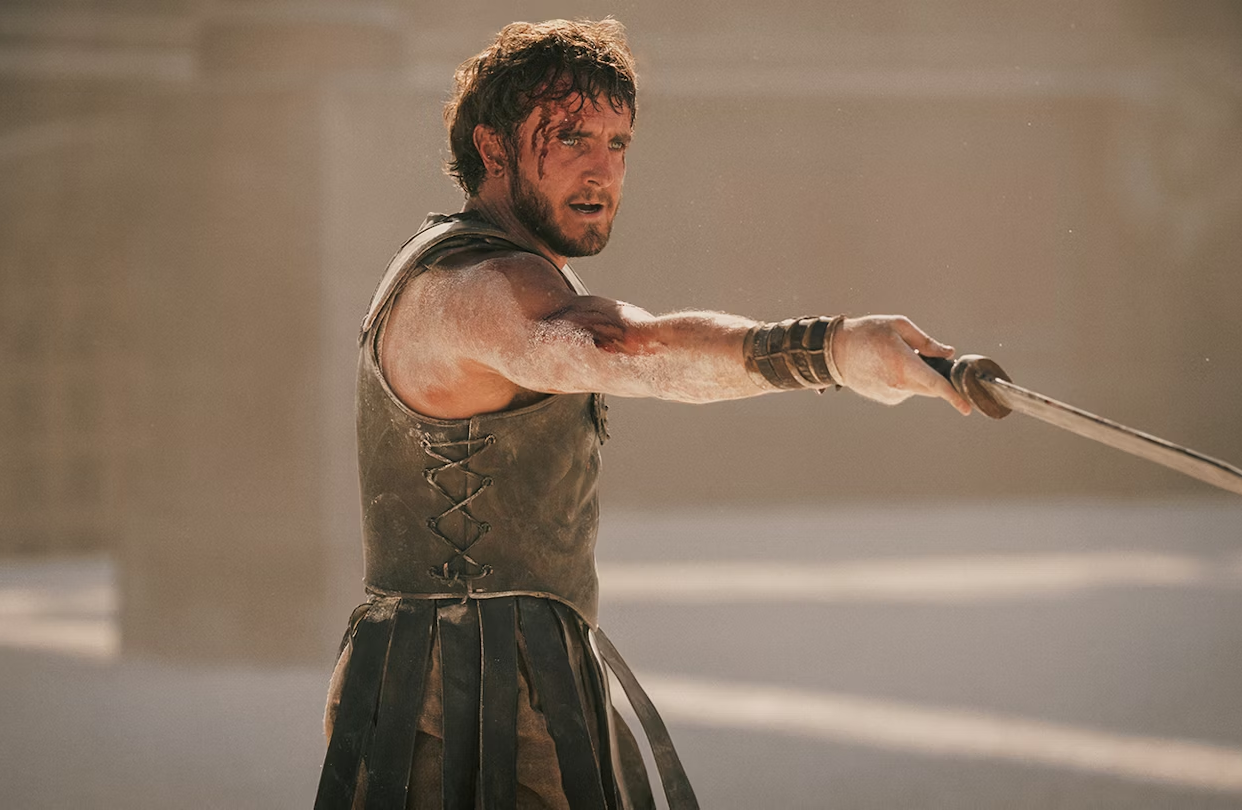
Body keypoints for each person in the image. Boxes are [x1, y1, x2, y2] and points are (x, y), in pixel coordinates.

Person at [315, 18, 971, 810]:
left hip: (526, 674)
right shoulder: (474, 288)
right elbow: (636, 348)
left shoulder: (498, 269)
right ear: (493, 149)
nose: (602, 168)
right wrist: (832, 350)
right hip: (446, 698)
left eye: (618, 143)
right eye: (571, 138)